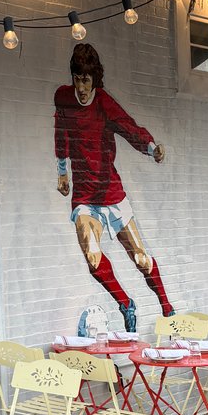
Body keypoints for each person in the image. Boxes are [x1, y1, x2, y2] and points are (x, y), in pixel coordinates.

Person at [54, 43, 174, 332]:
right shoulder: (63, 98)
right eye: (77, 79)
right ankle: (125, 303)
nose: (81, 87)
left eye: (86, 80)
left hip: (110, 190)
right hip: (84, 194)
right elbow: (61, 134)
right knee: (93, 258)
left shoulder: (104, 102)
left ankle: (167, 307)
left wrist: (149, 146)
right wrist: (62, 172)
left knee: (141, 259)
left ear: (94, 79)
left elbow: (128, 127)